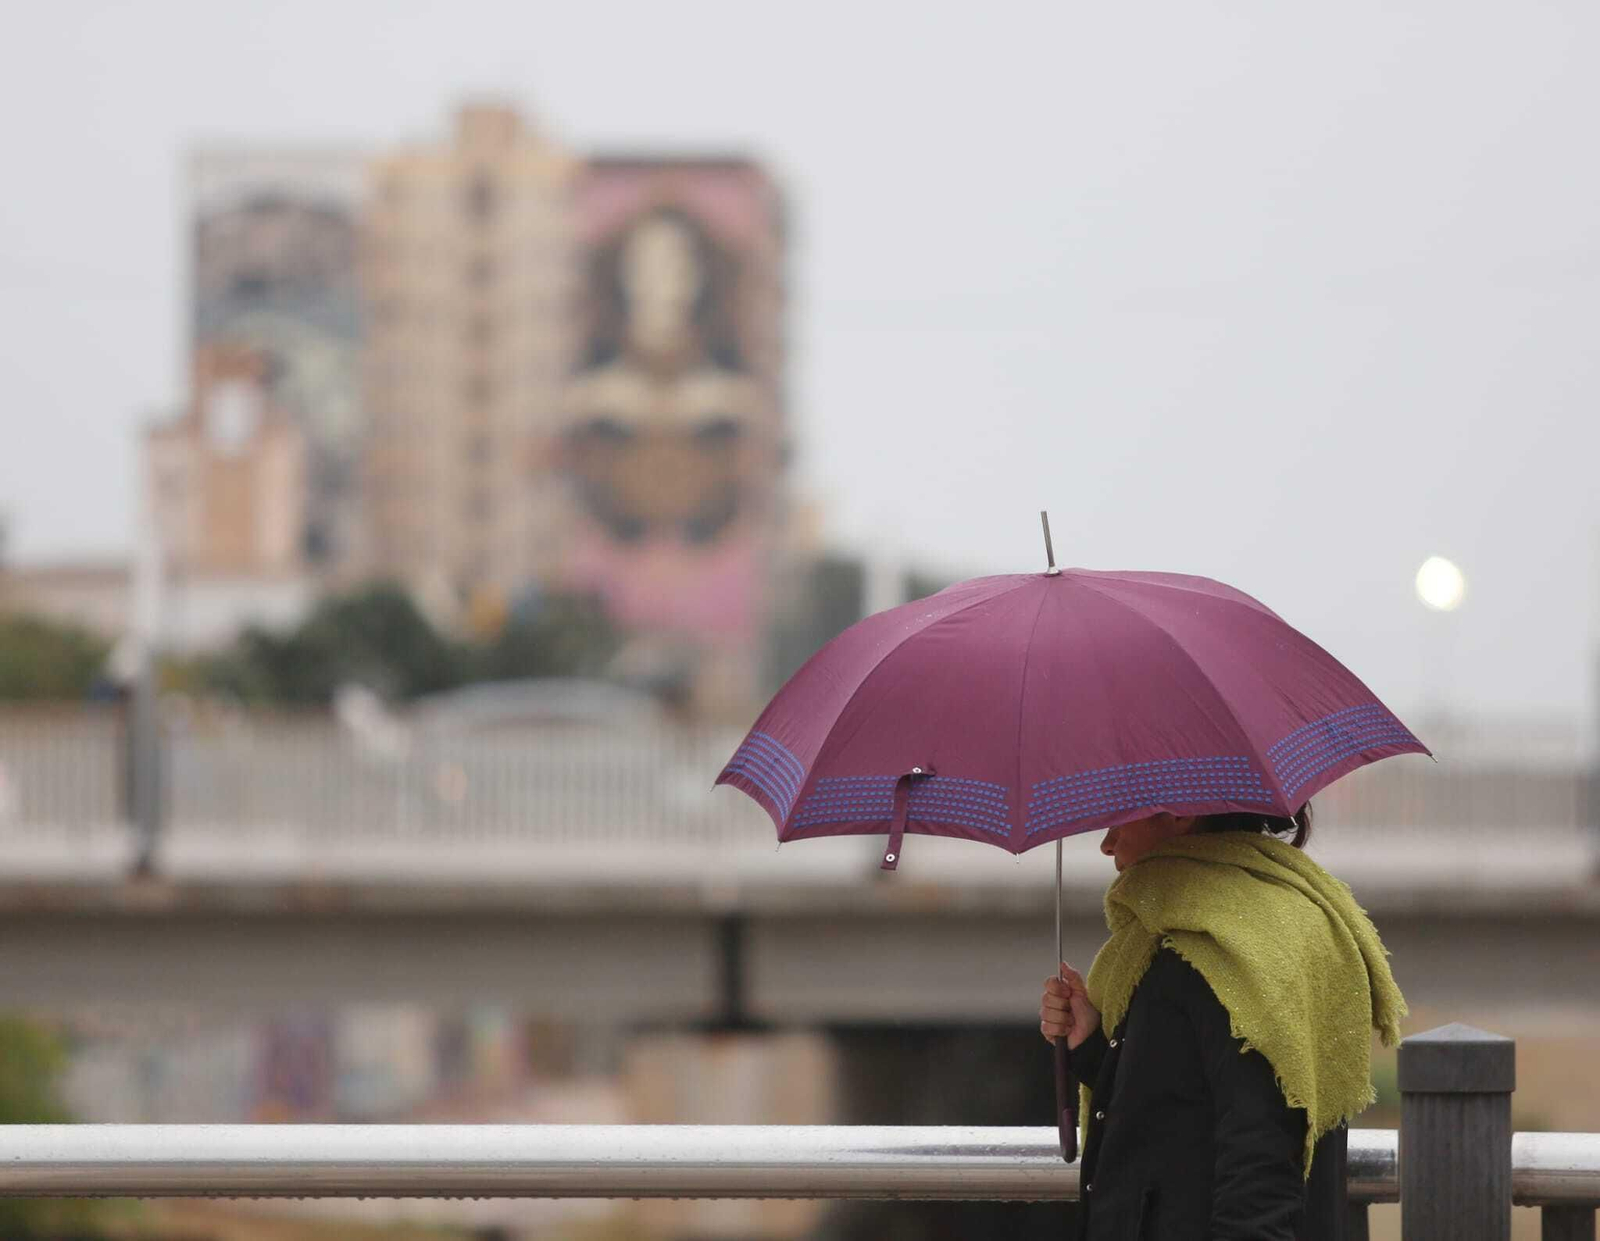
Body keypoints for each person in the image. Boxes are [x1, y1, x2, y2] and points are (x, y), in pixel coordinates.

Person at [1039, 807, 1406, 1241]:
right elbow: (1180, 1106)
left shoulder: (1230, 949)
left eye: (1122, 816)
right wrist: (1092, 1048)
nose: (1107, 842)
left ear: (1178, 815)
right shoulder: (1202, 936)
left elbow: (1261, 1162)